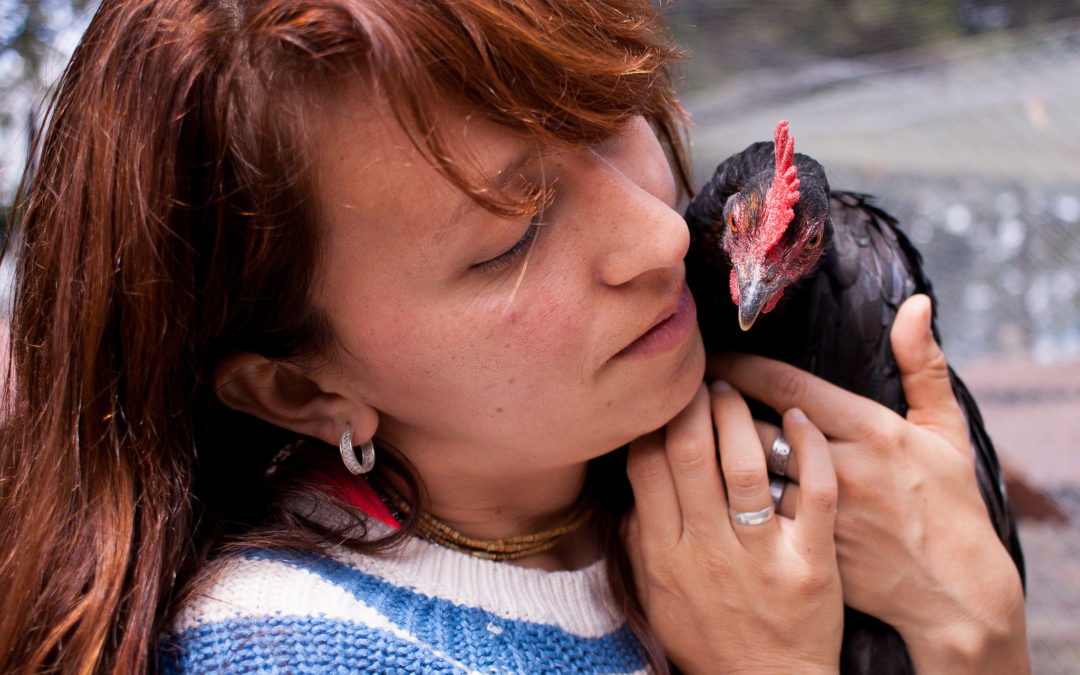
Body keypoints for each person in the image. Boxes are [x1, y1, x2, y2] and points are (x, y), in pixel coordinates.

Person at [0, 0, 1028, 673]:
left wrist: (975, 635)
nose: (662, 233)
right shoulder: (293, 652)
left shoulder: (742, 462)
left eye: (612, 119)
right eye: (509, 241)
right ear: (298, 390)